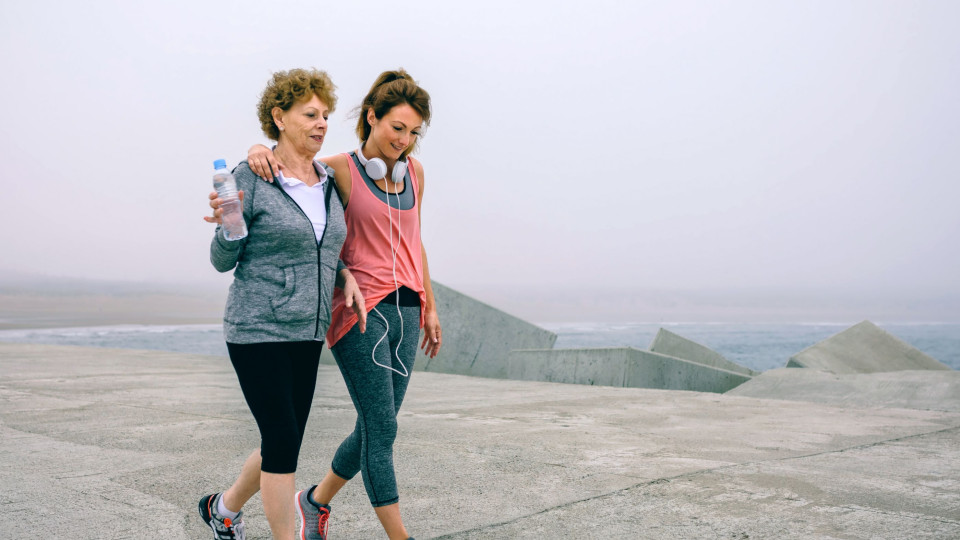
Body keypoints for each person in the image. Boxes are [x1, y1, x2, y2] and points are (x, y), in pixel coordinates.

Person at [247, 69, 442, 540]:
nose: (405, 141)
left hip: (406, 310)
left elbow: (416, 243)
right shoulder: (338, 169)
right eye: (397, 127)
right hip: (357, 313)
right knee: (382, 428)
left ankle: (314, 503)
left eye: (414, 132)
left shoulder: (414, 172)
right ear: (371, 117)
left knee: (380, 424)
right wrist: (256, 149)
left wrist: (430, 306)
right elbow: (287, 160)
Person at [199, 68, 366, 540]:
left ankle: (223, 509)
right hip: (258, 329)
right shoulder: (249, 176)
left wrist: (345, 274)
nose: (321, 123)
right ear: (280, 117)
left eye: (325, 115)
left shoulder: (328, 182)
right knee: (283, 441)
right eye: (310, 114)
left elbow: (320, 250)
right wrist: (229, 226)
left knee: (281, 439)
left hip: (308, 333)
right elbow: (220, 260)